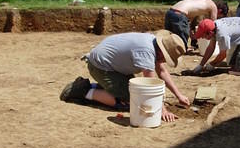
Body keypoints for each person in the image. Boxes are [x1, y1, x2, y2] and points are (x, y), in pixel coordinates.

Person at [60, 30, 190, 122]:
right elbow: (149, 85)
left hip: (112, 66)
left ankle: (96, 87)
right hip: (101, 67)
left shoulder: (152, 42)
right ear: (162, 52)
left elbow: (161, 71)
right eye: (166, 58)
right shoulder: (146, 52)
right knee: (132, 102)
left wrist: (179, 95)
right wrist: (162, 110)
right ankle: (83, 91)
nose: (164, 61)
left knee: (133, 93)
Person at [164, 0, 229, 50]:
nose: (217, 17)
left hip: (170, 12)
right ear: (220, 10)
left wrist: (192, 36)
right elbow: (213, 26)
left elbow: (188, 21)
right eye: (219, 16)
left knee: (170, 36)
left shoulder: (204, 4)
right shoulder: (213, 7)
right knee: (182, 42)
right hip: (179, 15)